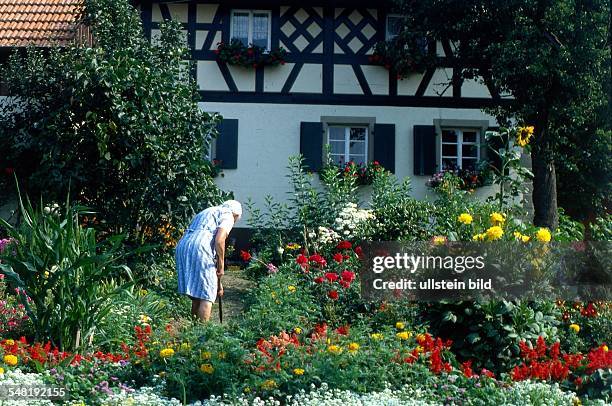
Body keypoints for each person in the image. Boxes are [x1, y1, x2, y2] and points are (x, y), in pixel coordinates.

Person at [175, 200, 242, 321]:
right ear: (236, 215)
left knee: (197, 293)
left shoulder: (207, 211)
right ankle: (203, 335)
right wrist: (221, 266)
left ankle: (193, 331)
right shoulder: (228, 215)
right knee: (207, 295)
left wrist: (218, 284)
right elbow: (219, 240)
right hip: (200, 247)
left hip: (183, 246)